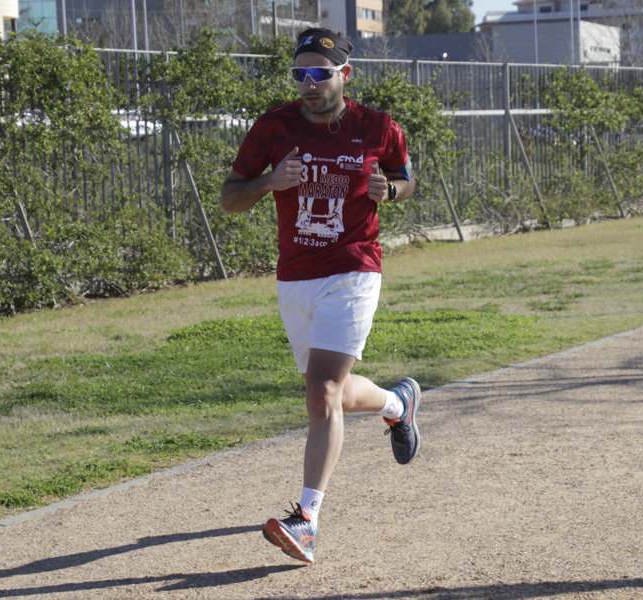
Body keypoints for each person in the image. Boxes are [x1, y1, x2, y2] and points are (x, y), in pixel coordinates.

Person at [219, 27, 421, 565]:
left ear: (344, 75)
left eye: (320, 74)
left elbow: (406, 178)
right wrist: (267, 183)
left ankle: (306, 520)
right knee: (327, 394)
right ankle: (398, 405)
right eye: (300, 75)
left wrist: (391, 190)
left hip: (353, 270)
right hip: (295, 276)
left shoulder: (377, 127)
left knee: (322, 392)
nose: (309, 85)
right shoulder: (274, 126)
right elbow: (228, 197)